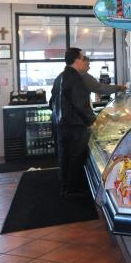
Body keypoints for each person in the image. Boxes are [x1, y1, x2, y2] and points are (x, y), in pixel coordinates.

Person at [50, 48, 96, 196]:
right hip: (75, 126)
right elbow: (80, 104)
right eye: (84, 59)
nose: (86, 62)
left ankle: (65, 187)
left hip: (61, 125)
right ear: (77, 60)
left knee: (65, 157)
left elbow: (51, 102)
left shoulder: (60, 77)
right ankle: (73, 190)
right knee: (75, 158)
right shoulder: (75, 78)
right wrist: (92, 121)